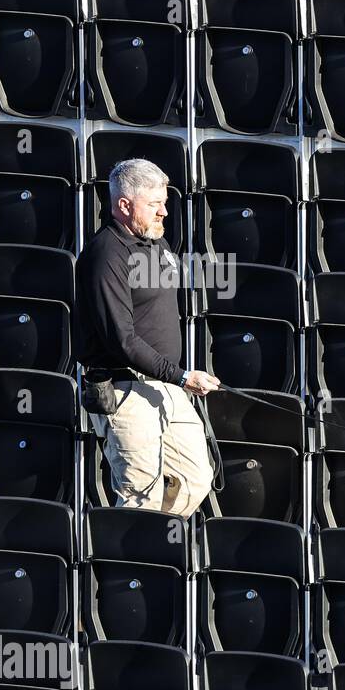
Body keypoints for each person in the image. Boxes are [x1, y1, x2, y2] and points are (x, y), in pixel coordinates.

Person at [73, 158, 221, 518]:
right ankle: (135, 564)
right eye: (154, 205)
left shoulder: (156, 243)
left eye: (164, 203)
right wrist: (184, 377)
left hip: (166, 385)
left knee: (196, 477)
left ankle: (152, 543)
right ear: (124, 205)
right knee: (140, 496)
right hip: (127, 389)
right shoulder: (105, 254)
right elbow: (121, 340)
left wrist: (176, 379)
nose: (164, 213)